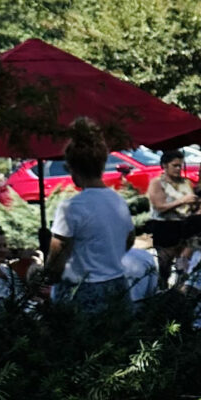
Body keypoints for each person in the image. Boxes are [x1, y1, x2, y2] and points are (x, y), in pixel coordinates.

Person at [43, 121, 135, 308]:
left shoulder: (71, 207)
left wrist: (47, 275)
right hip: (117, 284)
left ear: (73, 168)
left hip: (83, 289)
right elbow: (129, 239)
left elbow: (58, 252)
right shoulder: (117, 200)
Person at [145, 146, 201, 282]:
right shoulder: (157, 183)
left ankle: (181, 287)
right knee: (165, 263)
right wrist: (182, 200)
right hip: (165, 226)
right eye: (175, 166)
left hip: (184, 225)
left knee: (183, 261)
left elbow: (192, 202)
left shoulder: (185, 182)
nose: (178, 169)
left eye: (180, 166)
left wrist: (196, 204)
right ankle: (163, 286)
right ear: (165, 165)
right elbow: (159, 207)